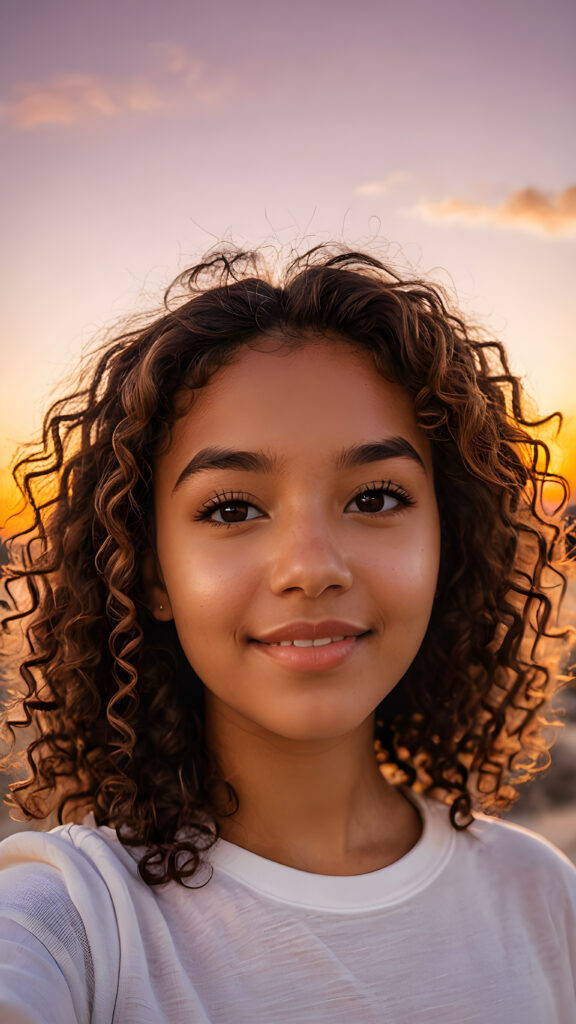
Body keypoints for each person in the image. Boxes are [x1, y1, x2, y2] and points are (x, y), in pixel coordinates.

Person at [0, 244, 574, 1023]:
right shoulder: (70, 925)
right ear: (151, 571)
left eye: (374, 498)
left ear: (452, 540)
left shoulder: (544, 897)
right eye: (232, 509)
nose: (311, 568)